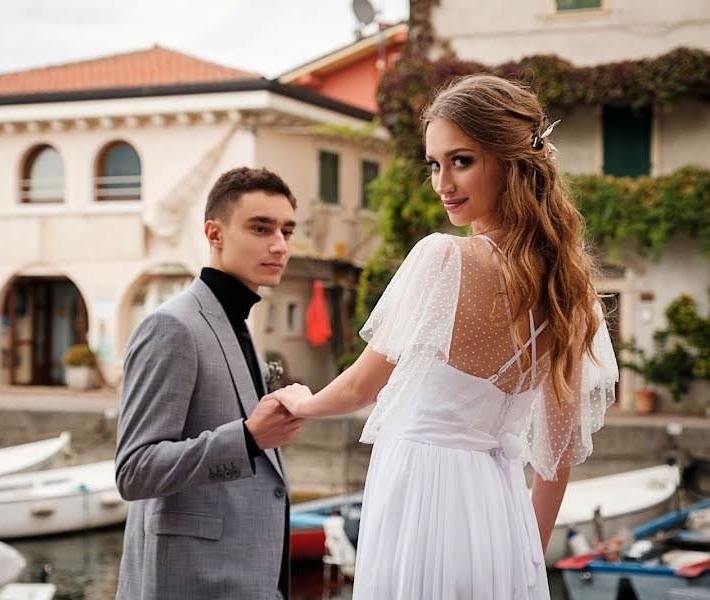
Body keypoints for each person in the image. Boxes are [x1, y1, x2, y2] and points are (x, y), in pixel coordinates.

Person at [272, 75, 619, 599]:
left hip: (419, 503)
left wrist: (302, 402)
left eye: (462, 161)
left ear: (510, 161)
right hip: (500, 517)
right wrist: (524, 555)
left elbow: (361, 387)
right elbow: (556, 455)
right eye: (435, 164)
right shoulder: (573, 295)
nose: (442, 183)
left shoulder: (444, 259)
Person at [115, 167, 303, 600]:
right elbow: (134, 470)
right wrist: (248, 438)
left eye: (287, 231)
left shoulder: (237, 324)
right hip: (190, 584)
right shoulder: (171, 327)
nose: (279, 245)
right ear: (213, 233)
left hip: (249, 580)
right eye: (261, 228)